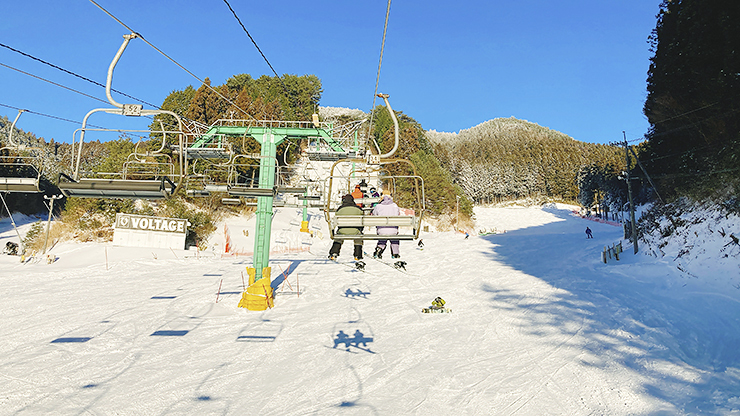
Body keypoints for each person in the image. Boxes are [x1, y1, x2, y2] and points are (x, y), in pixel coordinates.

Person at [329, 193, 364, 260]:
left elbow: (336, 219)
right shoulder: (358, 209)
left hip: (342, 230)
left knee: (338, 237)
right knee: (358, 238)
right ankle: (357, 254)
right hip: (355, 231)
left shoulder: (340, 209)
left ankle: (334, 252)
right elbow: (362, 218)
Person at [372, 190, 401, 259]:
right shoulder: (394, 206)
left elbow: (374, 215)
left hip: (381, 230)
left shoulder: (378, 206)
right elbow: (398, 214)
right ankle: (395, 253)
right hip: (393, 229)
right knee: (394, 239)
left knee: (382, 237)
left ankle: (379, 250)